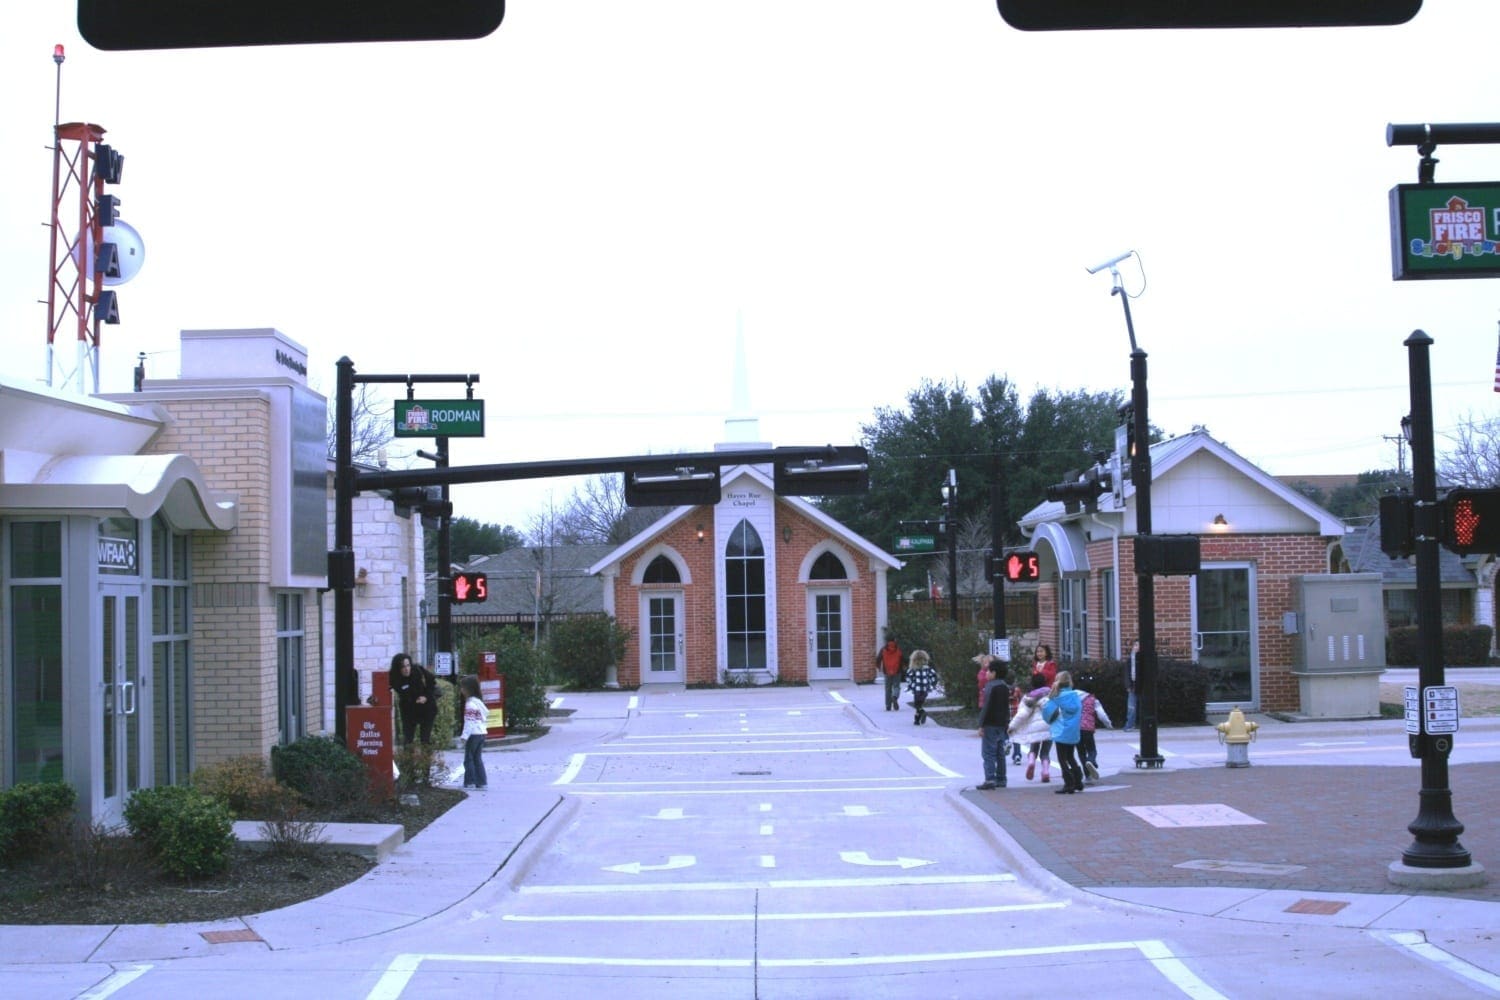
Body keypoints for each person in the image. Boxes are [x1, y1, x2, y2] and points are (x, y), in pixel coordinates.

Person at [1042, 670, 1085, 794]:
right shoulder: (1075, 696)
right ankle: (1078, 781)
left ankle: (1068, 783)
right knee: (1071, 757)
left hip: (1060, 731)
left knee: (1062, 759)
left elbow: (1047, 713)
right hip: (1073, 731)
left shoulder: (1056, 697)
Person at [1008, 671, 1054, 783]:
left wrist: (1012, 726)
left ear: (1032, 684)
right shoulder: (1051, 695)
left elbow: (1022, 714)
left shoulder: (1028, 698)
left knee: (1034, 748)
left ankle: (1031, 761)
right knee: (1045, 752)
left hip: (1034, 728)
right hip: (1049, 727)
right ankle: (1045, 771)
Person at [389, 652, 440, 745]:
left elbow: (432, 685)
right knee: (408, 739)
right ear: (398, 668)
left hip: (426, 708)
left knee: (425, 739)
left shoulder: (418, 671)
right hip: (408, 709)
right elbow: (383, 687)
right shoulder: (394, 677)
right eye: (403, 667)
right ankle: (408, 753)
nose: (406, 669)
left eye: (408, 665)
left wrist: (425, 697)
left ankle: (425, 753)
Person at [974, 657, 1010, 790]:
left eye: (988, 671)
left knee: (988, 752)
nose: (987, 673)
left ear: (994, 673)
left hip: (990, 723)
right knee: (1000, 752)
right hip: (1001, 723)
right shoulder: (1005, 686)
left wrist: (981, 724)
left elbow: (986, 707)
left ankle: (990, 779)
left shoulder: (990, 686)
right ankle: (1001, 778)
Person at [1076, 676, 1112, 782]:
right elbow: (1102, 715)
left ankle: (1087, 775)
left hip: (1076, 728)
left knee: (1081, 752)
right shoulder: (1093, 700)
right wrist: (1108, 724)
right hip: (1088, 729)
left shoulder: (1074, 698)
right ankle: (1091, 760)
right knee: (1092, 750)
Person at [458, 675, 488, 790]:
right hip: (481, 733)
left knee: (468, 759)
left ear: (468, 689)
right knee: (477, 758)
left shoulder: (470, 704)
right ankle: (482, 782)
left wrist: (464, 736)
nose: (461, 690)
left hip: (473, 734)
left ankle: (469, 782)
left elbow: (469, 722)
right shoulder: (479, 702)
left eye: (462, 687)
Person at [904, 649, 939, 726]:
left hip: (917, 689)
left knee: (917, 704)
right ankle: (917, 720)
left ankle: (922, 712)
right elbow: (934, 676)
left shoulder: (913, 669)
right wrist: (932, 684)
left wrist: (910, 684)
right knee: (920, 703)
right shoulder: (928, 669)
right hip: (925, 689)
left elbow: (908, 678)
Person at [876, 635, 905, 712]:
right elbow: (903, 658)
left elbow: (878, 658)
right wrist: (903, 667)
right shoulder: (898, 648)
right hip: (897, 671)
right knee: (896, 686)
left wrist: (878, 666)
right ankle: (895, 696)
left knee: (888, 688)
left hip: (887, 671)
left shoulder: (883, 649)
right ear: (894, 640)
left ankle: (888, 705)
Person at [1124, 639, 1139, 731]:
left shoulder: (1145, 659)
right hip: (1133, 685)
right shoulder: (1130, 660)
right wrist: (1128, 685)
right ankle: (1130, 725)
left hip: (1143, 685)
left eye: (1139, 645)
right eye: (1136, 645)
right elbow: (1127, 673)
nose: (1137, 647)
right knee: (1131, 707)